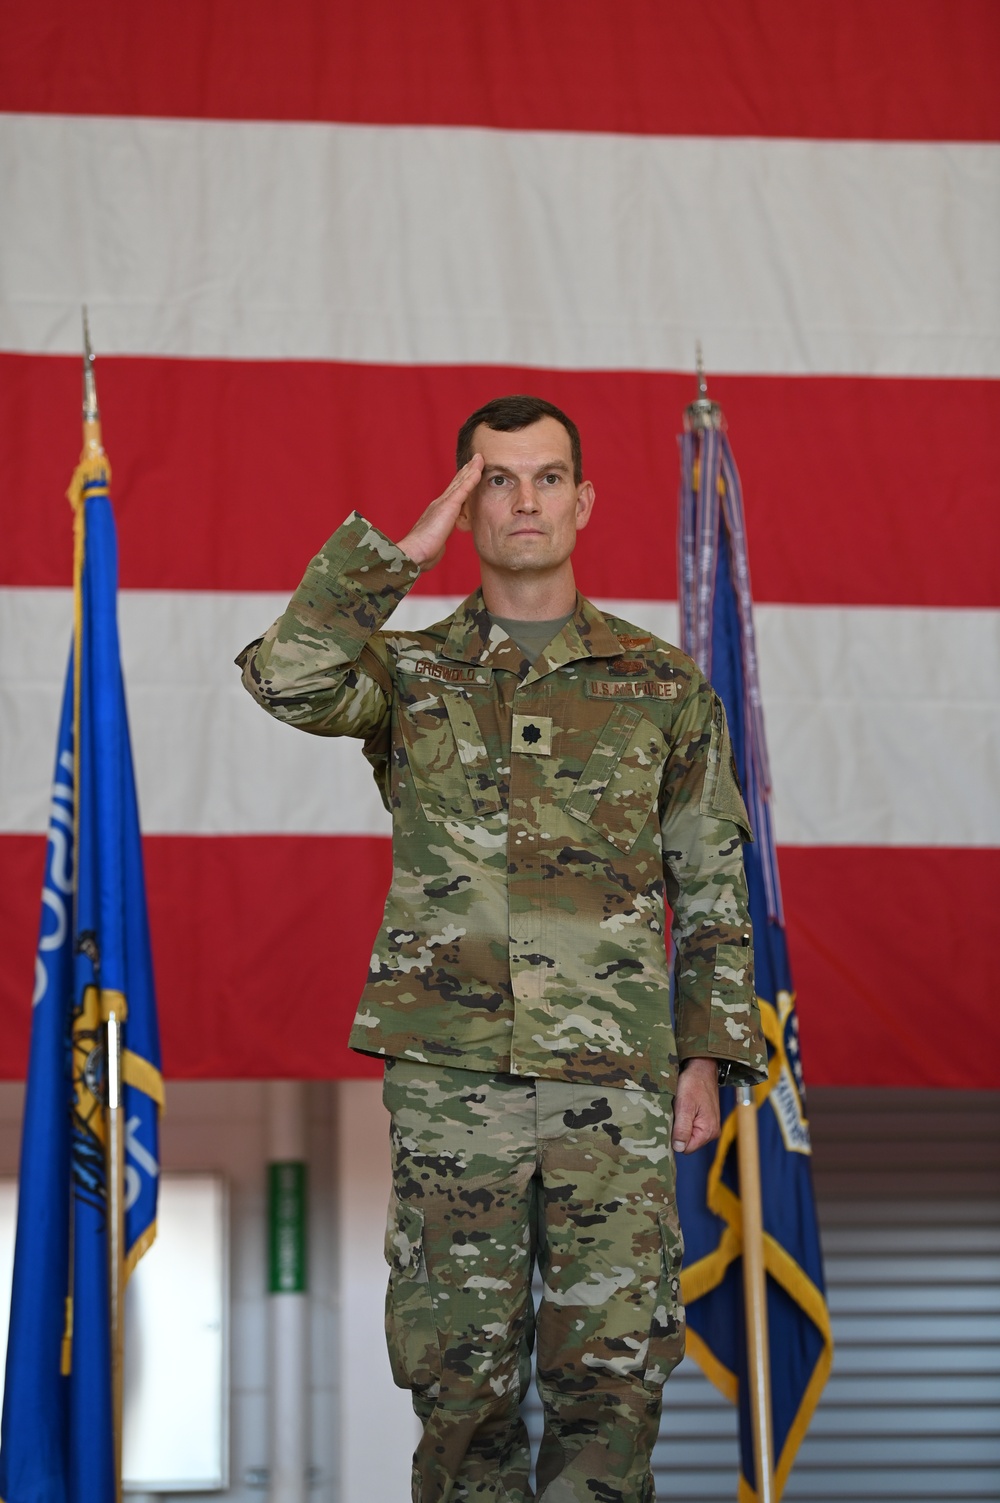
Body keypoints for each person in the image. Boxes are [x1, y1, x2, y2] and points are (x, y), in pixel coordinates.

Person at [238, 395, 766, 1503]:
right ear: (467, 501)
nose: (524, 500)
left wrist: (706, 1055)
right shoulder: (412, 672)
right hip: (453, 1079)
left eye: (545, 477)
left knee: (611, 1383)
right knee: (458, 1383)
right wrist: (397, 554)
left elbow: (713, 885)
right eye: (496, 479)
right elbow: (284, 675)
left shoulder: (659, 684)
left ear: (583, 499)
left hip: (613, 1085)